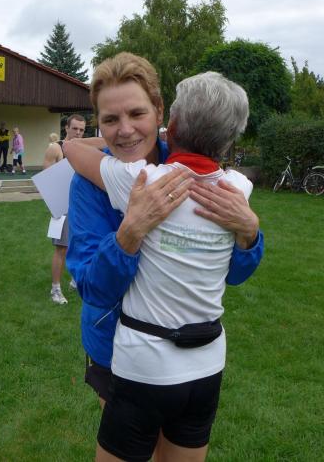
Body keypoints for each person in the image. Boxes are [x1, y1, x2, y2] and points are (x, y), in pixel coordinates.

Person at [65, 54, 263, 461]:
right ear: (98, 123)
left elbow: (234, 273)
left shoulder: (190, 158)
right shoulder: (87, 185)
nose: (124, 130)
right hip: (114, 346)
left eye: (136, 113)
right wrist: (129, 234)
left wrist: (249, 233)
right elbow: (92, 288)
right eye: (109, 120)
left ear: (160, 112)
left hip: (191, 352)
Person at [43, 114, 87, 305]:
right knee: (62, 248)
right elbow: (47, 180)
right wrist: (56, 208)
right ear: (66, 128)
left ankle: (75, 281)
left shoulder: (85, 150)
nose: (78, 132)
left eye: (82, 130)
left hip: (81, 205)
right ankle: (55, 289)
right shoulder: (56, 148)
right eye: (75, 128)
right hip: (62, 205)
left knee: (81, 244)